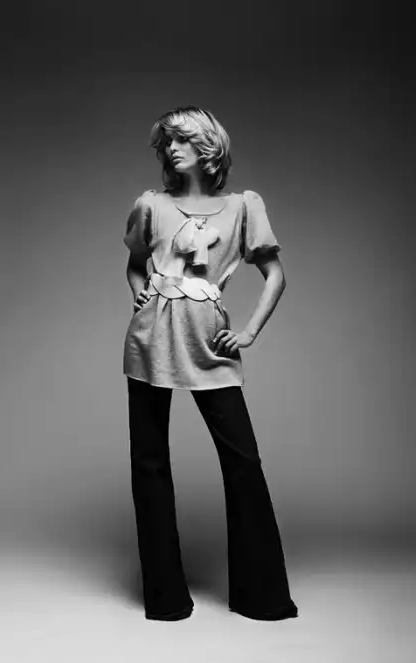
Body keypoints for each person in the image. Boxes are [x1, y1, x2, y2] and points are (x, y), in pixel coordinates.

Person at [122, 105, 298, 622]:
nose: (170, 149)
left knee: (243, 462)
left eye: (181, 140)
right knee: (150, 465)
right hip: (150, 340)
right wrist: (139, 293)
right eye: (166, 142)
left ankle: (260, 596)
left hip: (210, 346)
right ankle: (166, 598)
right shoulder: (151, 205)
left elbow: (275, 275)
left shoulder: (242, 207)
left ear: (207, 146)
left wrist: (248, 332)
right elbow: (135, 264)